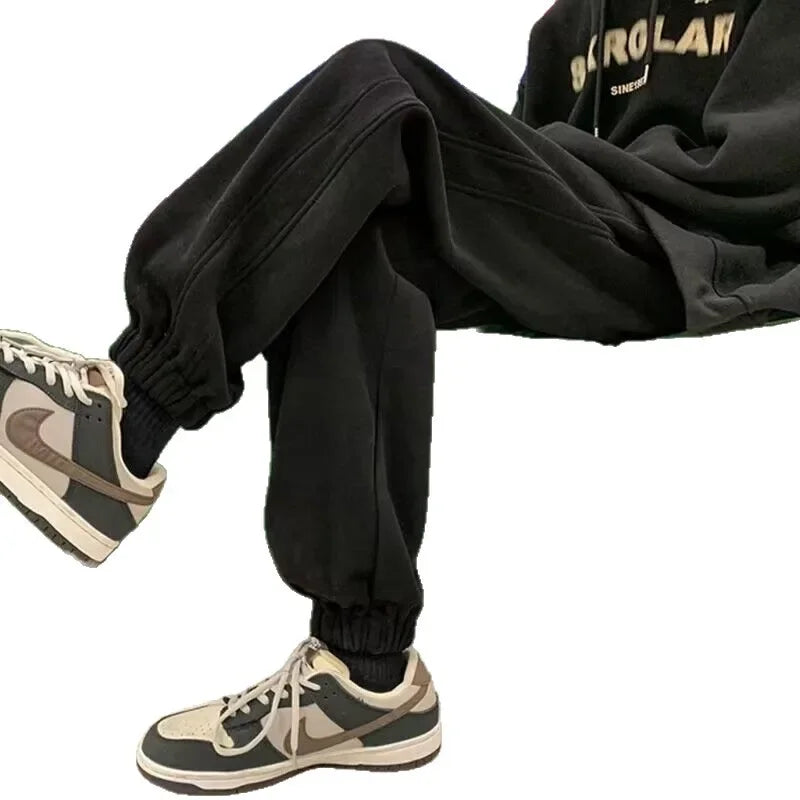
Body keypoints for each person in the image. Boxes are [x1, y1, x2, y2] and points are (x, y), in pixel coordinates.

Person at [1, 0, 798, 793]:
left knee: (379, 81)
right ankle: (365, 672)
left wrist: (559, 169)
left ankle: (131, 415)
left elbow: (759, 182)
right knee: (345, 224)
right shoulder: (575, 20)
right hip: (604, 227)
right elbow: (534, 160)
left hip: (703, 246)